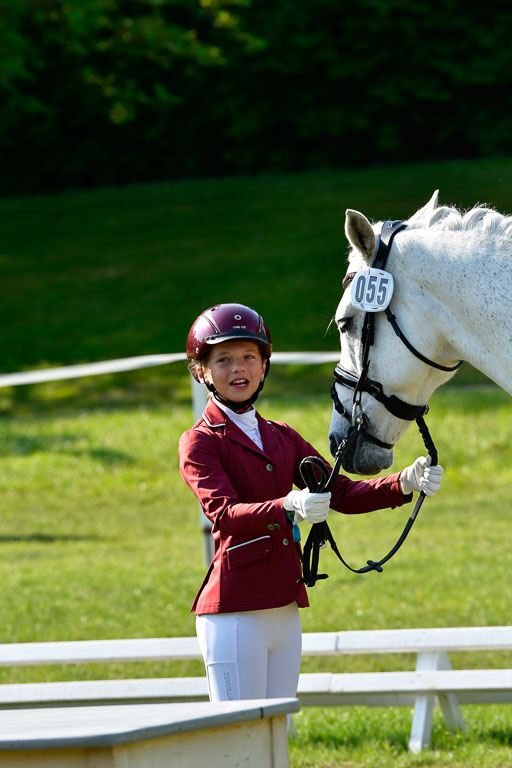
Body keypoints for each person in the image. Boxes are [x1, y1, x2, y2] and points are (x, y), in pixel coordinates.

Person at [179, 303, 443, 703]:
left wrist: (403, 483)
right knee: (240, 743)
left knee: (277, 735)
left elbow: (342, 494)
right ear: (202, 371)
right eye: (224, 360)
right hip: (234, 612)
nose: (239, 369)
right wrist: (289, 505)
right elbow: (225, 515)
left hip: (285, 607)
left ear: (264, 366)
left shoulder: (281, 435)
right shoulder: (200, 441)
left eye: (250, 357)